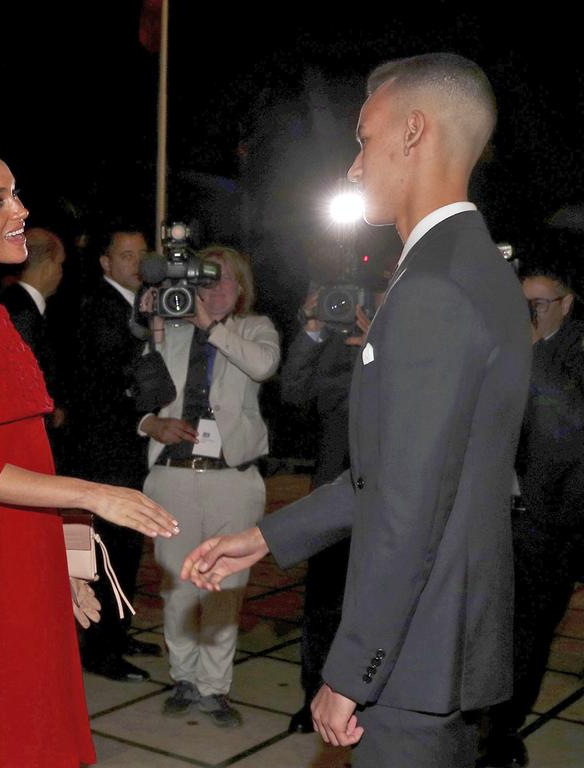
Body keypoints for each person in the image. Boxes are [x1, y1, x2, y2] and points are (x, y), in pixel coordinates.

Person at [182, 53, 532, 767]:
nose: (352, 167)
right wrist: (269, 536)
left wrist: (350, 670)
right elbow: (399, 475)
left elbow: (408, 505)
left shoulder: (434, 286)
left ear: (413, 132)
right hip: (444, 640)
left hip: (413, 656)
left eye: (363, 140)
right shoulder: (476, 267)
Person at [0, 143, 179, 768]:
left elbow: (30, 447)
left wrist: (70, 550)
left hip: (24, 545)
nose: (21, 210)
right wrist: (93, 494)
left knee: (30, 718)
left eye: (16, 194)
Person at [139, 246, 280, 727]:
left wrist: (211, 327)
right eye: (206, 280)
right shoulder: (172, 326)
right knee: (177, 585)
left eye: (225, 281)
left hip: (232, 479)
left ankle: (215, 687)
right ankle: (183, 676)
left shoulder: (255, 329)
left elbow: (262, 367)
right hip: (174, 476)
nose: (215, 289)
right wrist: (148, 424)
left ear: (241, 288)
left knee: (225, 586)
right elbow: (142, 385)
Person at [479, 261, 583, 768]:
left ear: (566, 303)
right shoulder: (501, 351)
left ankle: (503, 729)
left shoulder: (574, 355)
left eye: (538, 305)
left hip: (549, 525)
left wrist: (531, 346)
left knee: (529, 633)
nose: (528, 314)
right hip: (493, 518)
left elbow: (567, 433)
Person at [279, 287, 381, 734]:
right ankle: (312, 697)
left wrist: (385, 347)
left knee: (380, 608)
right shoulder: (341, 357)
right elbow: (294, 391)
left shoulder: (408, 355)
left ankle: (370, 704)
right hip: (333, 501)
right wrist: (315, 328)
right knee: (323, 608)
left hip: (391, 507)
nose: (364, 314)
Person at [73, 225, 164, 682]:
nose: (136, 263)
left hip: (129, 449)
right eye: (126, 255)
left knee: (128, 549)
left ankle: (119, 634)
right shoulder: (100, 308)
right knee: (107, 551)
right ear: (106, 263)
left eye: (142, 254)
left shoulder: (141, 306)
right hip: (104, 453)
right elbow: (106, 380)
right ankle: (100, 649)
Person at [0, 227, 68, 435]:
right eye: (60, 264)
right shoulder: (21, 312)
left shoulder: (18, 304)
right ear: (48, 266)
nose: (60, 273)